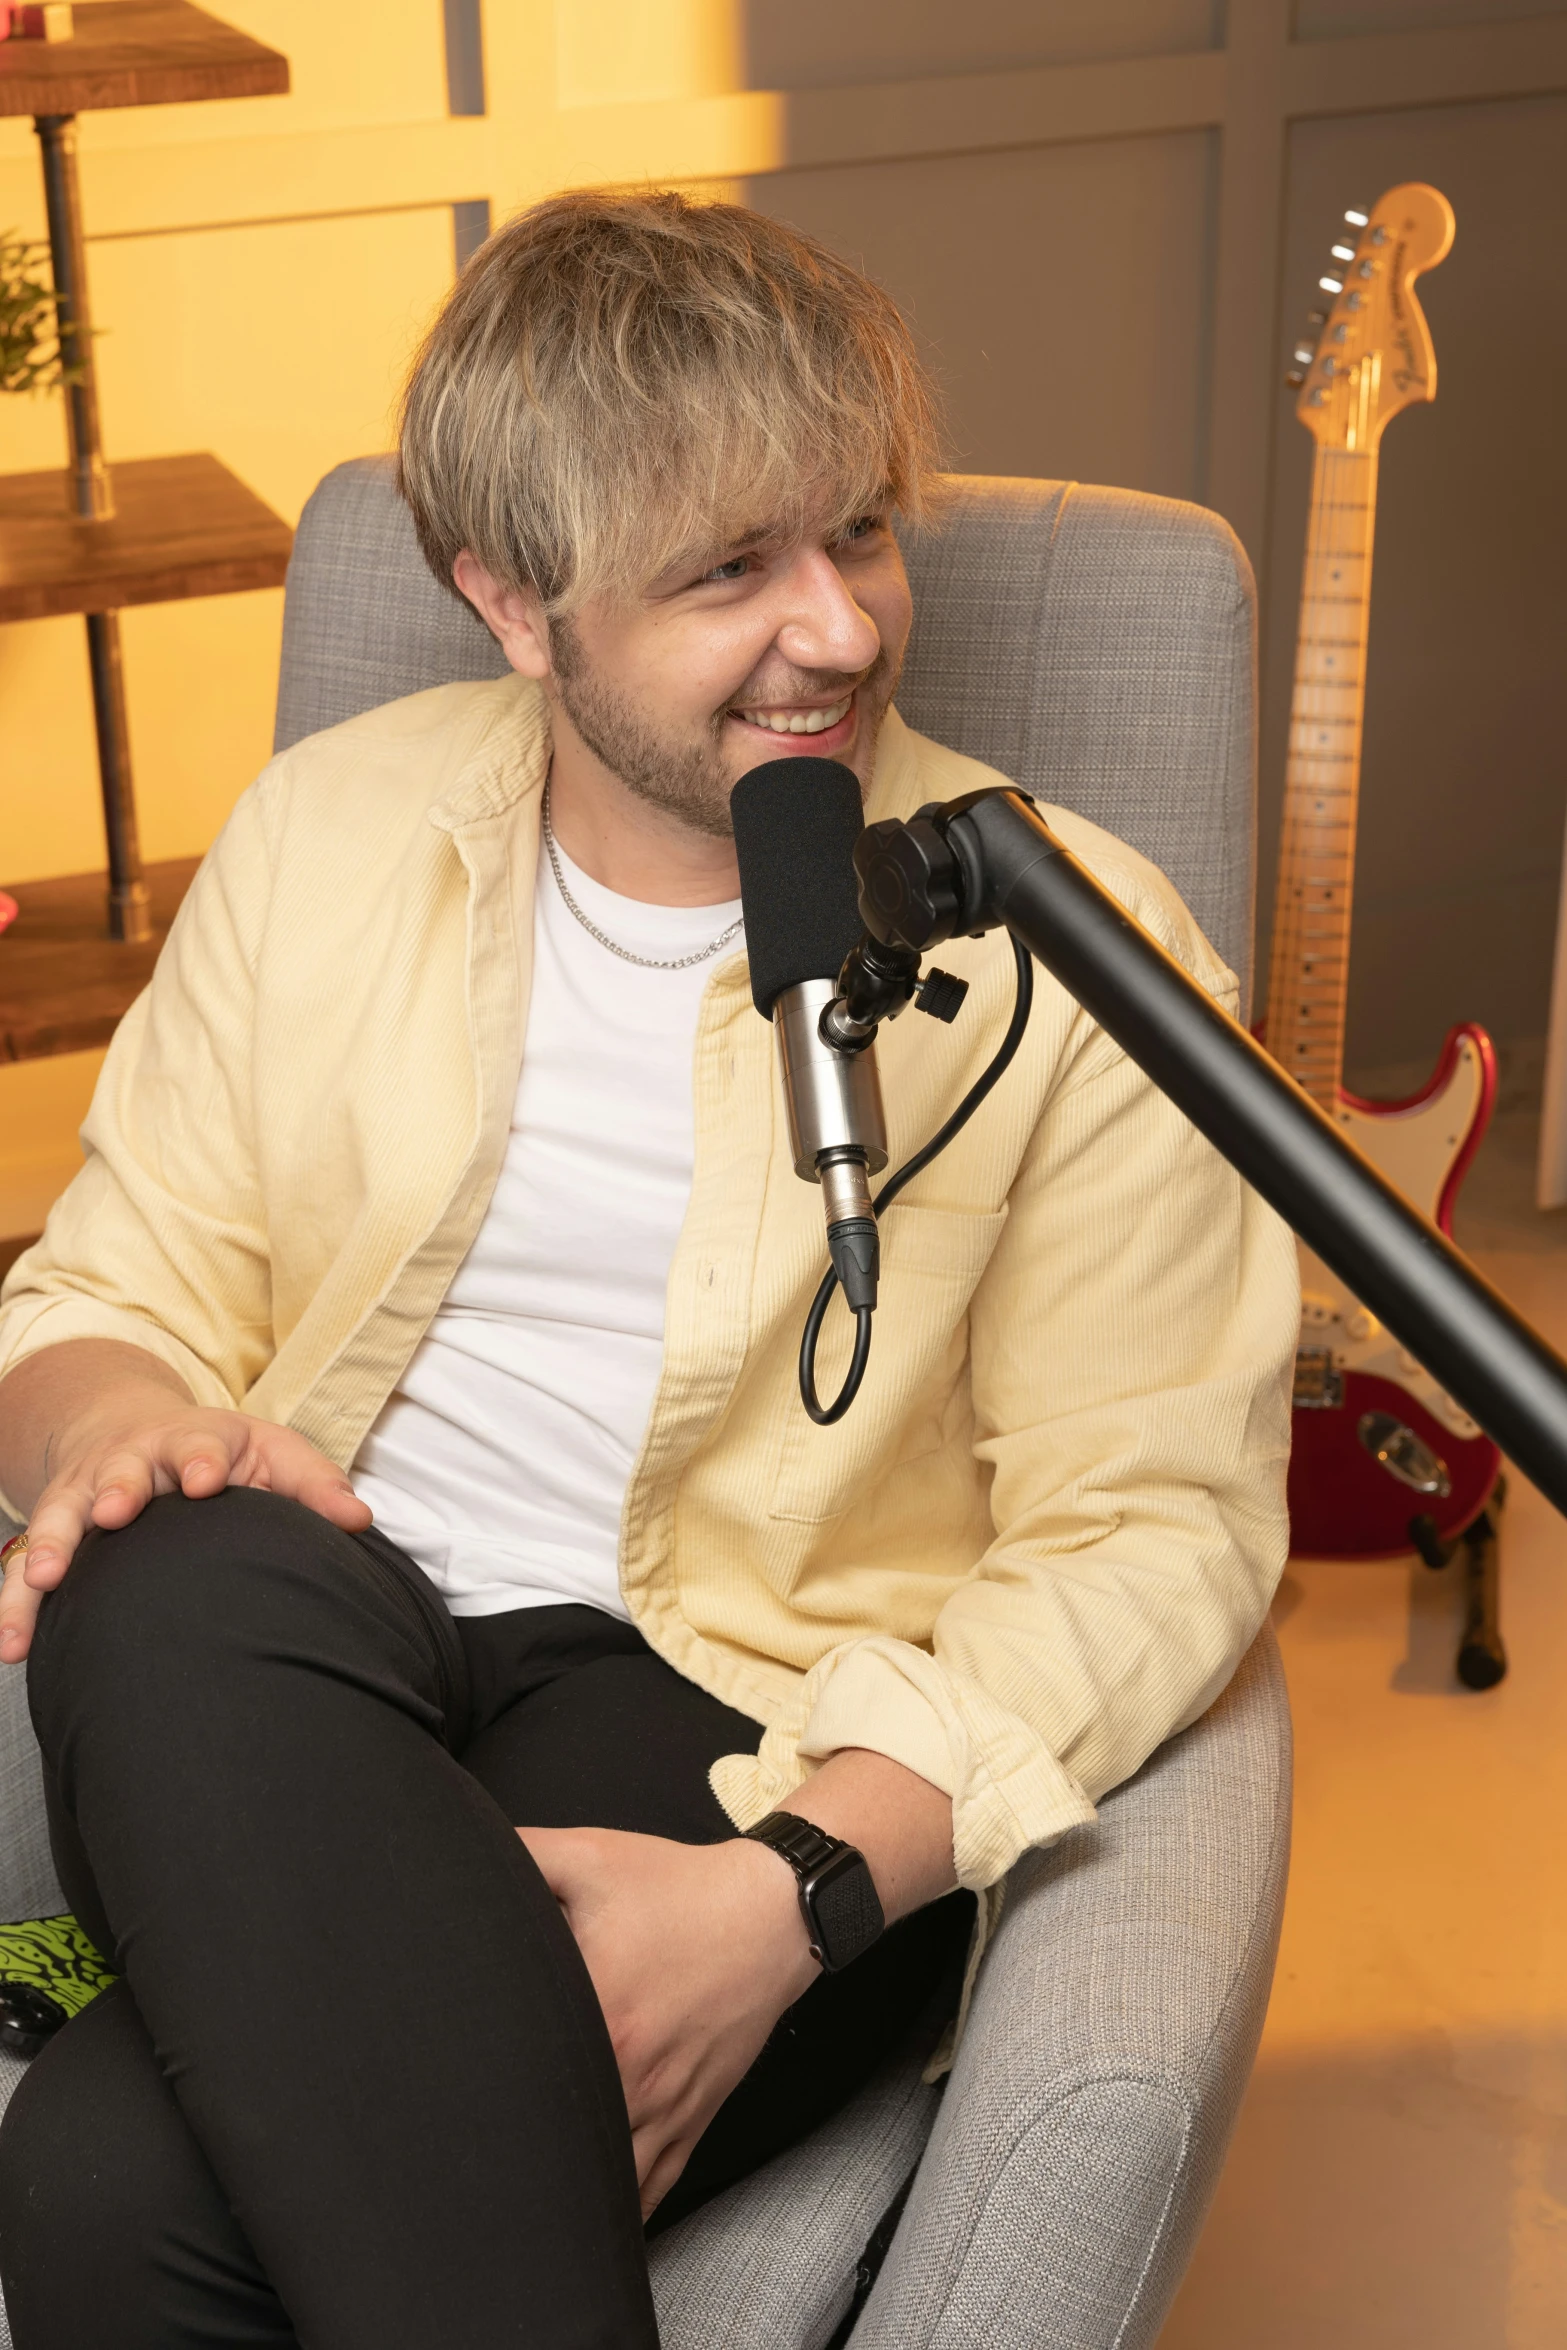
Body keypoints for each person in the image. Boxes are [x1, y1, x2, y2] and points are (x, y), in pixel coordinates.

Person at [0, 189, 1297, 2349]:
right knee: (165, 1555)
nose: (842, 629)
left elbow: (1151, 1521)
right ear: (510, 601)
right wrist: (118, 1424)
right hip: (324, 1643)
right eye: (728, 571)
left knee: (108, 2181)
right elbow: (97, 1285)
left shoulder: (1079, 945)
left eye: (862, 533)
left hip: (749, 1712)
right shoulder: (329, 833)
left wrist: (794, 1894)